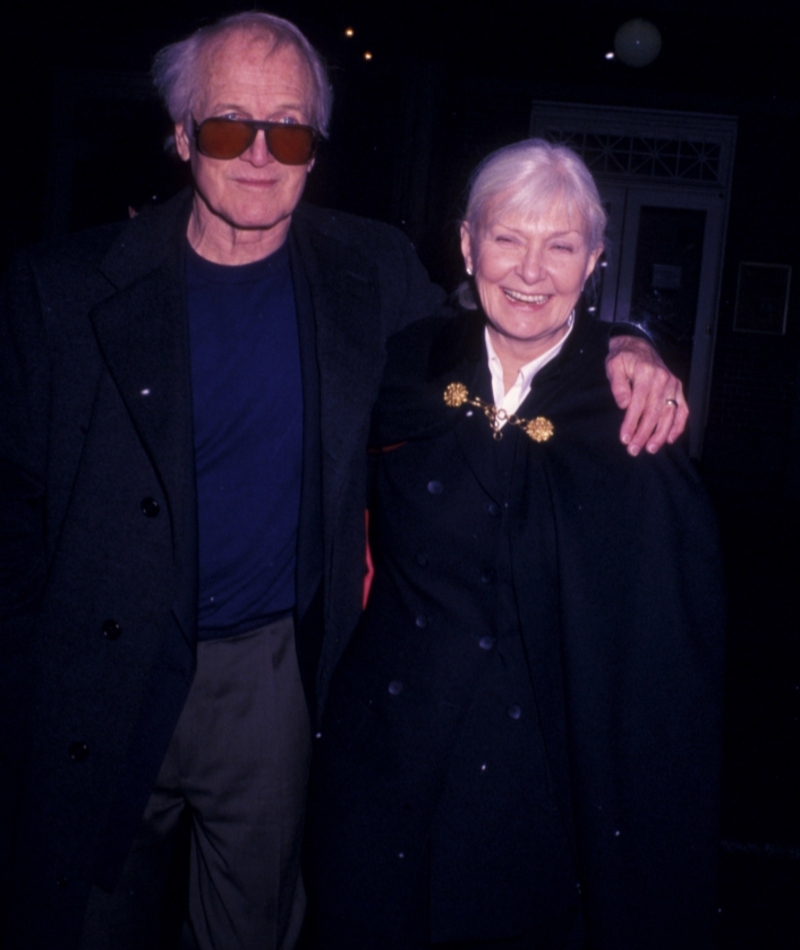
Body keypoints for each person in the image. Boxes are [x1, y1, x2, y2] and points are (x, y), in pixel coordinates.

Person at [0, 10, 684, 949]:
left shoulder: (370, 271)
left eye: (288, 129)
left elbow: (511, 312)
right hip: (94, 671)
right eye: (229, 125)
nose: (258, 155)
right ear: (180, 133)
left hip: (270, 679)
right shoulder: (60, 290)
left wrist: (626, 346)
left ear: (314, 148)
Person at [305, 140, 725, 949]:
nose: (531, 271)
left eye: (561, 245)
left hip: (535, 782)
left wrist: (629, 338)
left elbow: (671, 640)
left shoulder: (628, 418)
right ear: (467, 243)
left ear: (595, 260)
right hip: (384, 757)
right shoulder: (402, 367)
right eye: (507, 238)